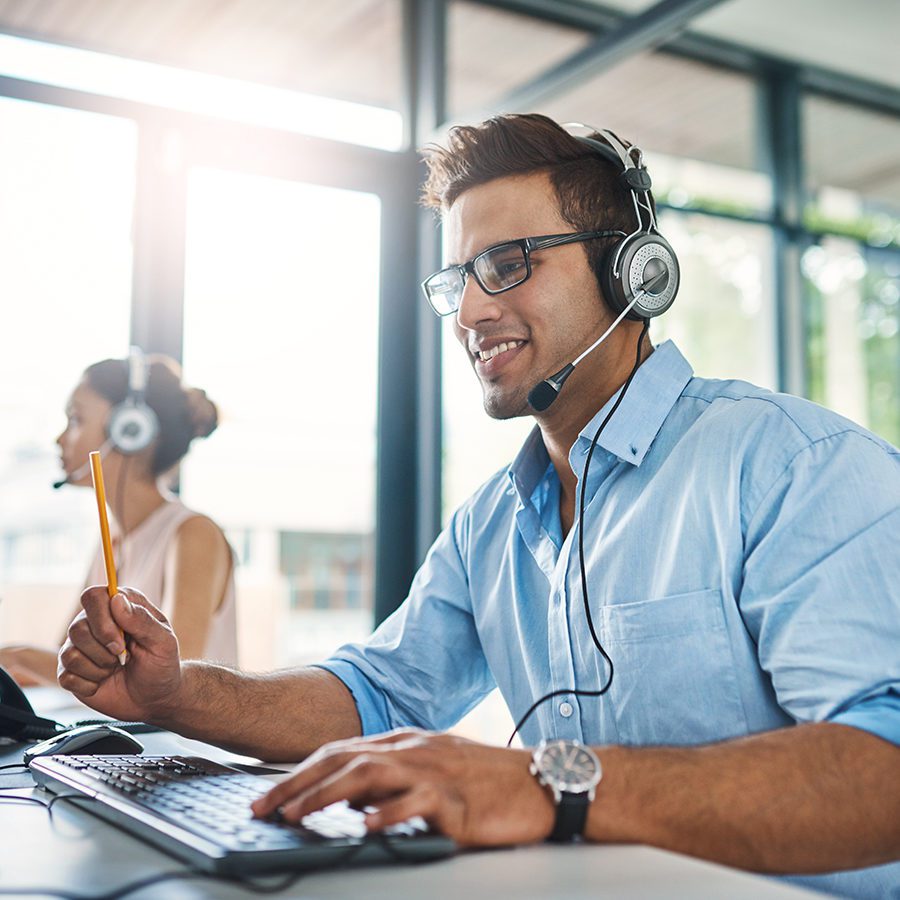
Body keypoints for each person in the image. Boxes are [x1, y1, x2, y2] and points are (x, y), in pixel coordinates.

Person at [57, 115, 898, 897]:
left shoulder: (792, 466)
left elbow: (885, 771)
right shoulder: (493, 521)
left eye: (507, 264)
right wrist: (179, 695)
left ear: (630, 272)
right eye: (457, 278)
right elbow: (377, 693)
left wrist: (544, 785)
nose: (469, 310)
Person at [1, 353, 237, 684]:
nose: (59, 439)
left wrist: (16, 656)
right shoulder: (111, 540)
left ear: (129, 430)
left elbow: (174, 677)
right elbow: (67, 662)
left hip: (177, 738)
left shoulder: (194, 534)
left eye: (75, 419)